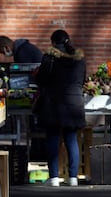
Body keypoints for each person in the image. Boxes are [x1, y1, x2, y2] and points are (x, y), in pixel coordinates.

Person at [35, 29, 86, 187]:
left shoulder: (49, 58)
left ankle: (54, 177)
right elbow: (83, 80)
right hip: (74, 104)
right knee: (71, 140)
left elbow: (41, 80)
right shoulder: (79, 59)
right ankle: (73, 177)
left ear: (53, 42)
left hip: (53, 103)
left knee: (53, 139)